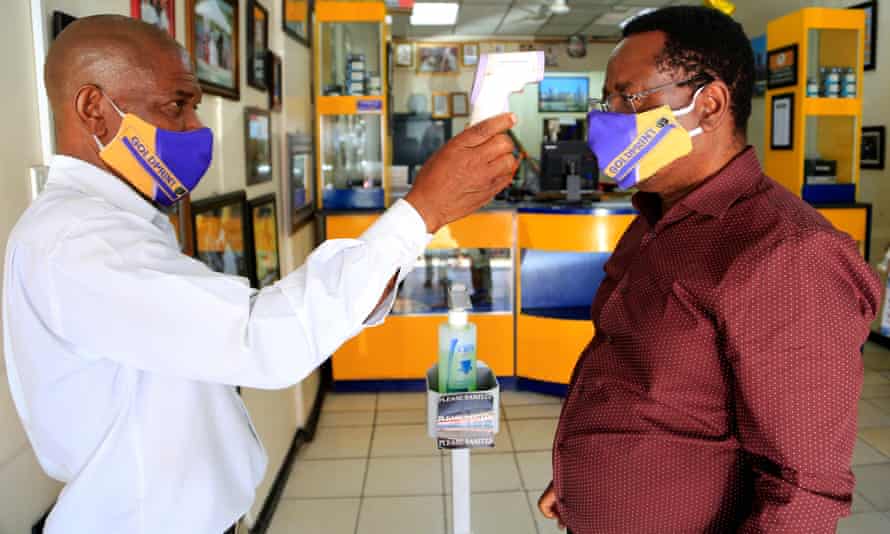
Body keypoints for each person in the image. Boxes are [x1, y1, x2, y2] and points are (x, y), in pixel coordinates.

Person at [3, 15, 517, 534]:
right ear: (94, 109)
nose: (196, 129)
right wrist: (422, 210)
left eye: (194, 107)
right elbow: (261, 338)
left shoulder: (116, 224)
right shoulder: (76, 240)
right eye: (176, 106)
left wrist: (420, 220)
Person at [536, 6, 882, 534]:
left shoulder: (786, 253)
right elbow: (648, 379)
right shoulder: (659, 215)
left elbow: (804, 489)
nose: (604, 121)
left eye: (626, 99)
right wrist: (586, 471)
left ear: (709, 104)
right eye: (604, 101)